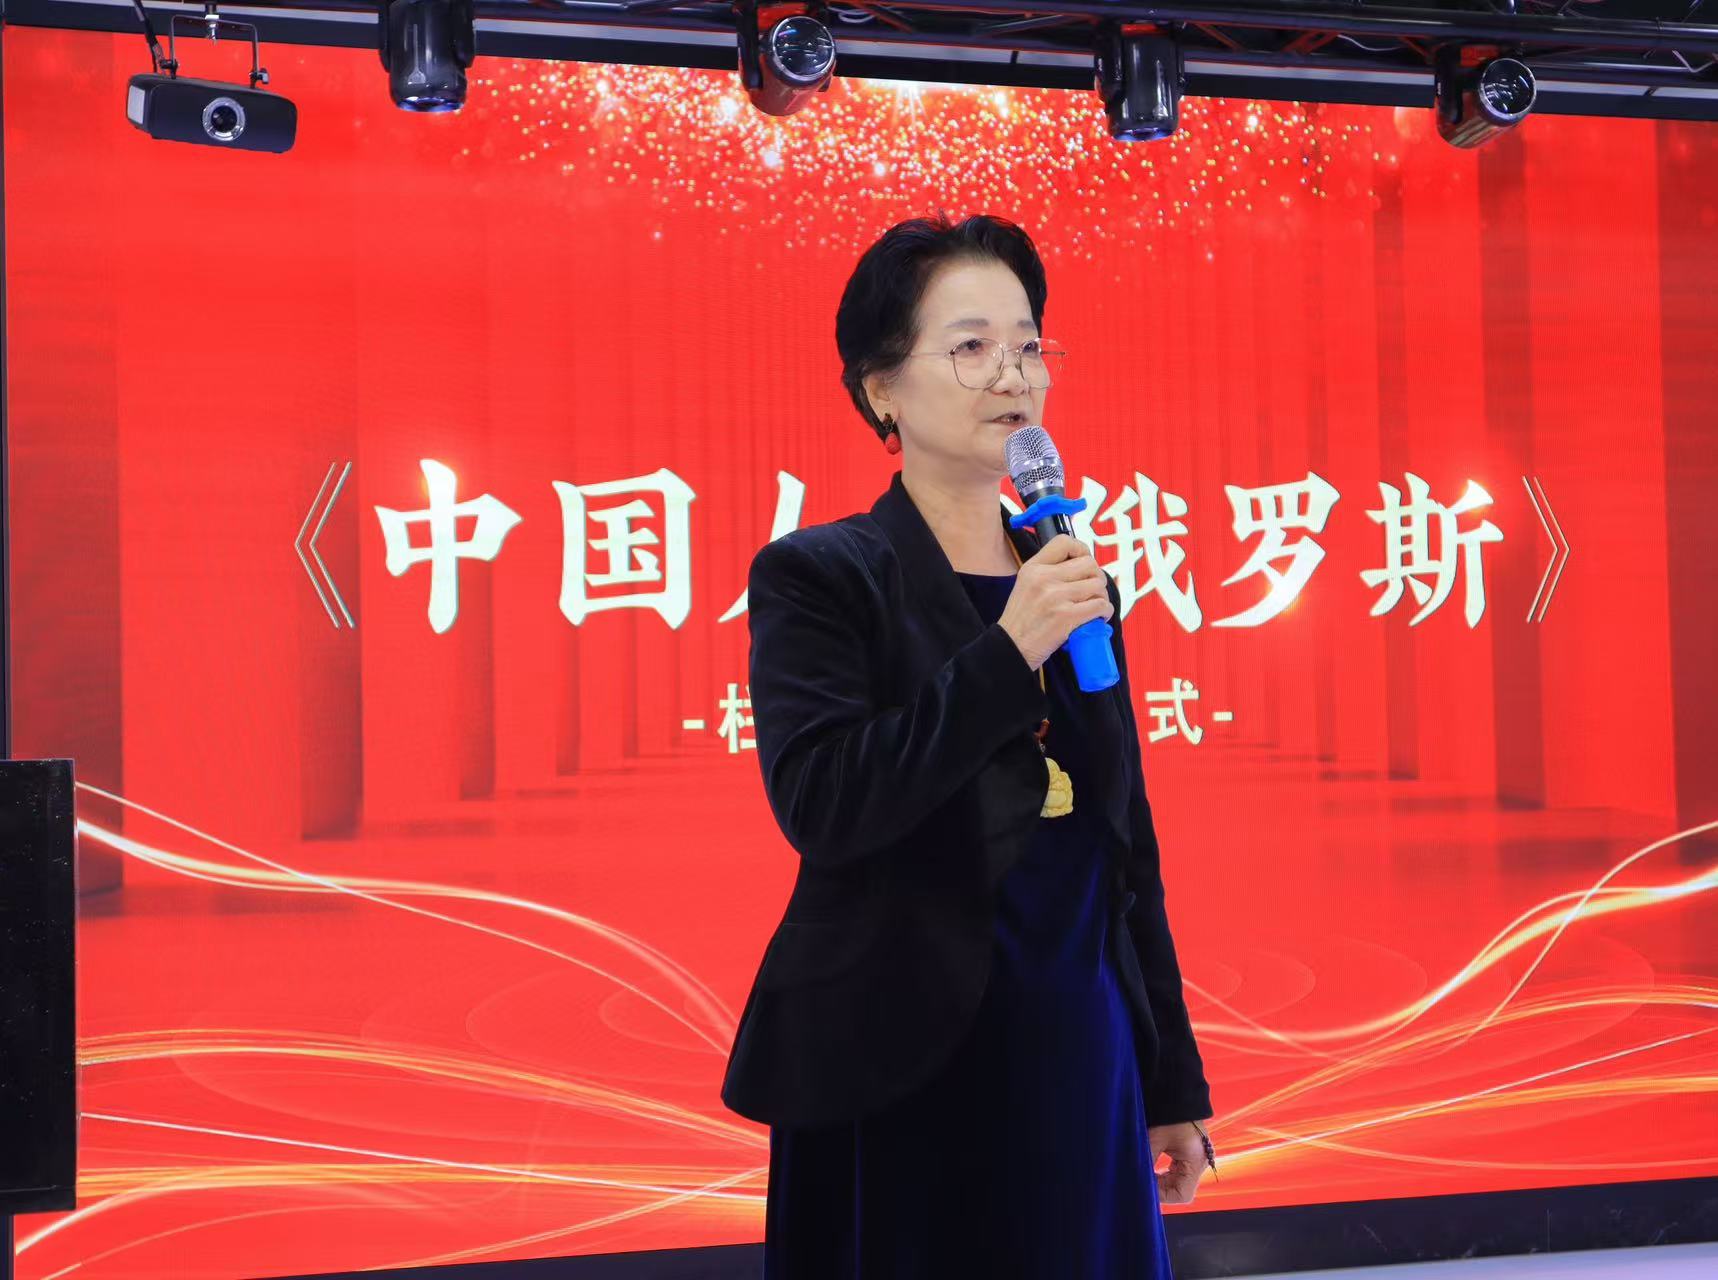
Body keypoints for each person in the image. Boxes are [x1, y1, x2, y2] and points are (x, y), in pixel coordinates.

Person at [720, 213, 1216, 1279]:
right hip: (894, 1055)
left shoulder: (1068, 575)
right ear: (881, 391)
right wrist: (1007, 650)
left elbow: (1122, 840)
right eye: (971, 345)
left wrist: (1168, 1079)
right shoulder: (821, 574)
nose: (1013, 375)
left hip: (1074, 1047)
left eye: (1029, 345)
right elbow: (826, 803)